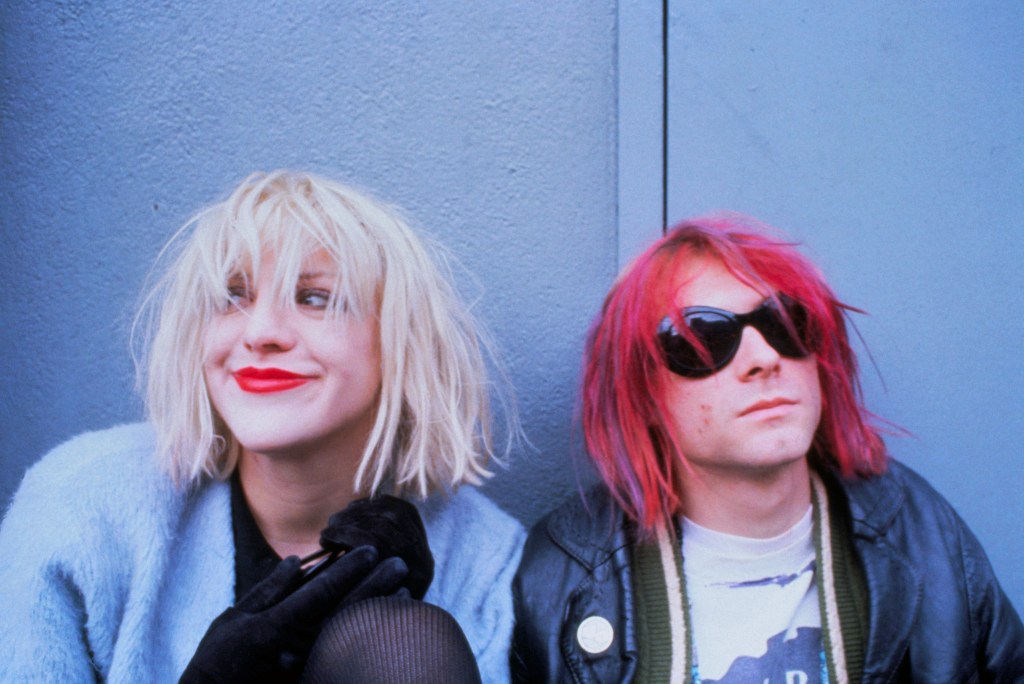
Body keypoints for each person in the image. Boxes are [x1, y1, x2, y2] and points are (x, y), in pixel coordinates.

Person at [0, 170, 525, 682]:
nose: (261, 332)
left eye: (314, 297)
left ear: (398, 343)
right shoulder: (83, 505)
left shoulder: (483, 554)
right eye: (232, 296)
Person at [511, 214, 1024, 683]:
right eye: (705, 337)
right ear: (642, 394)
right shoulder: (565, 574)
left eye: (785, 323)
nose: (763, 357)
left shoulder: (921, 533)